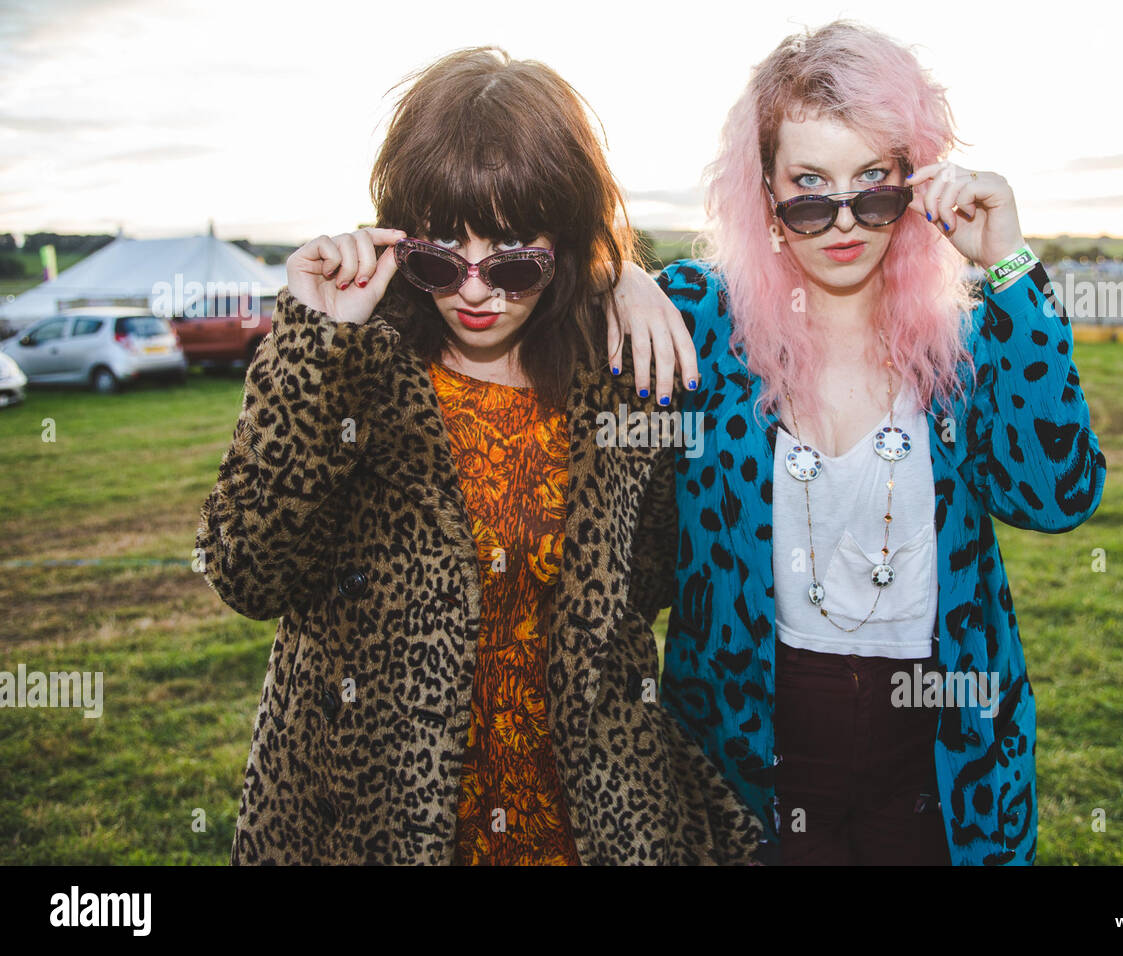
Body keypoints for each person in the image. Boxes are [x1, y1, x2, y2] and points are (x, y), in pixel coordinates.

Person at [196, 46, 762, 865]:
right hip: (365, 823)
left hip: (581, 824)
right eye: (437, 256)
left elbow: (650, 585)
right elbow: (246, 573)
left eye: (514, 260)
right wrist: (313, 347)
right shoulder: (357, 360)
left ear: (565, 241)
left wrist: (620, 274)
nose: (472, 289)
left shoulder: (615, 373)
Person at [609, 20, 1108, 864]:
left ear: (916, 183)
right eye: (808, 187)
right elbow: (539, 282)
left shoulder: (968, 341)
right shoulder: (698, 318)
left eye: (874, 184)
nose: (843, 219)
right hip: (748, 744)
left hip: (938, 745)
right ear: (762, 191)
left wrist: (1010, 267)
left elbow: (1055, 498)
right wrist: (612, 269)